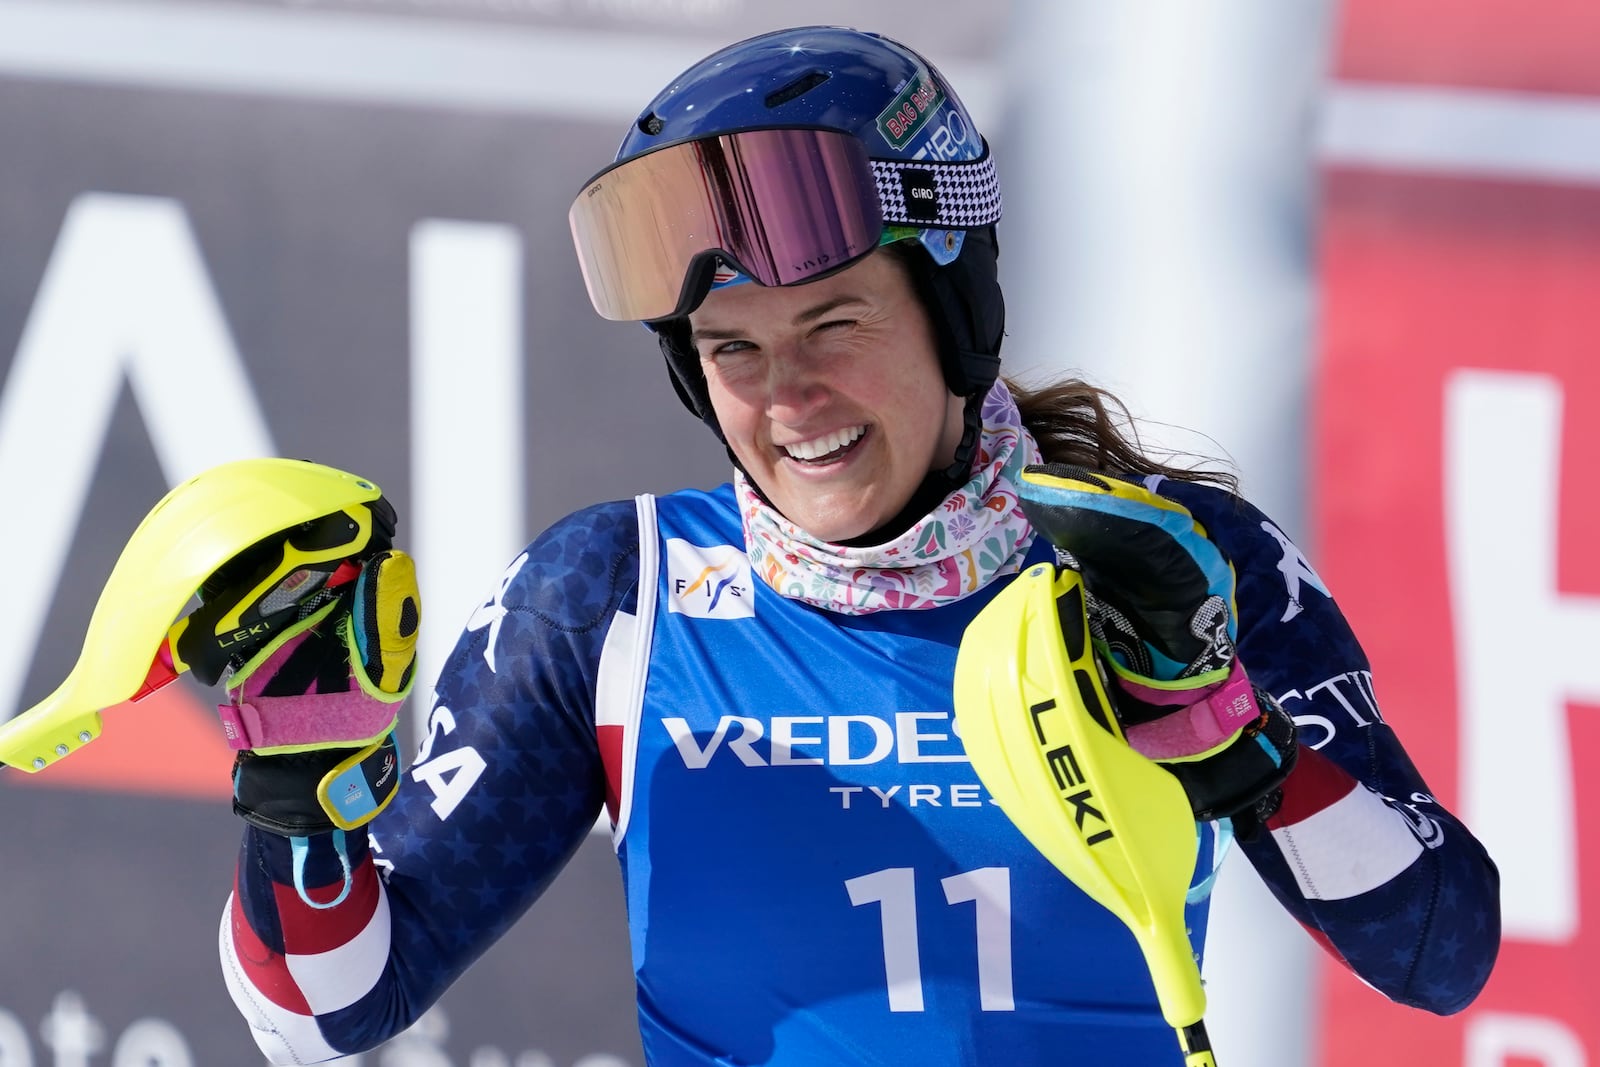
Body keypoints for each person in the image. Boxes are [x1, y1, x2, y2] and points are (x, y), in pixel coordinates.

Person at [213, 25, 1500, 1067]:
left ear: (955, 310)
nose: (789, 399)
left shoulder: (1166, 561)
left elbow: (1440, 951)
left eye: (834, 326)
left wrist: (1237, 743)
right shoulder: (608, 596)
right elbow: (325, 1011)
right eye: (734, 351)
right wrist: (299, 800)